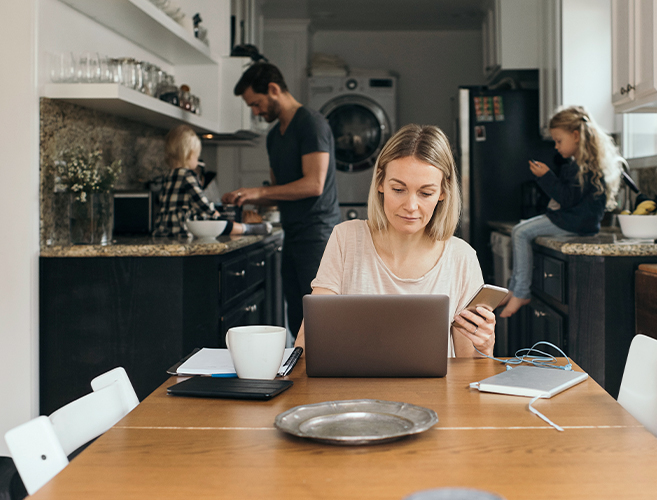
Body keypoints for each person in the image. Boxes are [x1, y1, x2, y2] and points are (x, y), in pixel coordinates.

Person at [296, 124, 495, 358]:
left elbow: (468, 368)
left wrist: (484, 347)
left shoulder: (462, 258)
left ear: (443, 192)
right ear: (380, 182)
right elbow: (309, 340)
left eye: (426, 193)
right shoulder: (345, 239)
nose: (410, 206)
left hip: (435, 395)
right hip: (356, 392)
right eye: (399, 189)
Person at [222, 63, 340, 338]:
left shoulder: (311, 123)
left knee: (319, 318)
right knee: (297, 315)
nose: (255, 111)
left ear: (274, 90)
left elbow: (313, 184)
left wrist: (258, 192)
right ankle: (302, 376)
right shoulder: (274, 136)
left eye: (256, 103)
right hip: (293, 233)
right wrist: (245, 197)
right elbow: (280, 191)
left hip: (317, 235)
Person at [500, 106, 624, 317]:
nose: (556, 146)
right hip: (579, 224)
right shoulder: (588, 165)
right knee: (522, 229)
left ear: (576, 136)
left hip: (572, 222)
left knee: (520, 232)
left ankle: (520, 291)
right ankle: (514, 289)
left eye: (558, 140)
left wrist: (546, 176)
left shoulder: (580, 168)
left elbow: (566, 199)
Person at [154, 125, 269, 237]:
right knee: (220, 223)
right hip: (183, 227)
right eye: (196, 157)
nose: (197, 161)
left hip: (164, 228)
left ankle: (246, 228)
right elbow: (200, 201)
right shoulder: (187, 175)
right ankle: (247, 229)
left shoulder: (167, 175)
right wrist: (213, 212)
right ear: (189, 155)